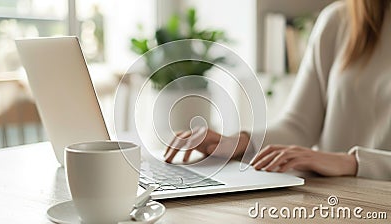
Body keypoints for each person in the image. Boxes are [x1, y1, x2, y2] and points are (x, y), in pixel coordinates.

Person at [164, 0, 391, 181]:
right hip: (328, 200)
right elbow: (299, 127)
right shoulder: (339, 20)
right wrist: (241, 142)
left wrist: (353, 162)